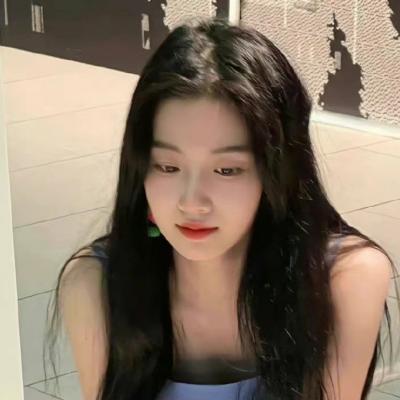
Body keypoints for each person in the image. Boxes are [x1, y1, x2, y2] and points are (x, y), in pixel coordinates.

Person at [45, 17, 399, 400]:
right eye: (168, 167)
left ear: (277, 173)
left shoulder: (346, 278)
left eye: (227, 170)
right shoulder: (97, 286)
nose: (192, 202)